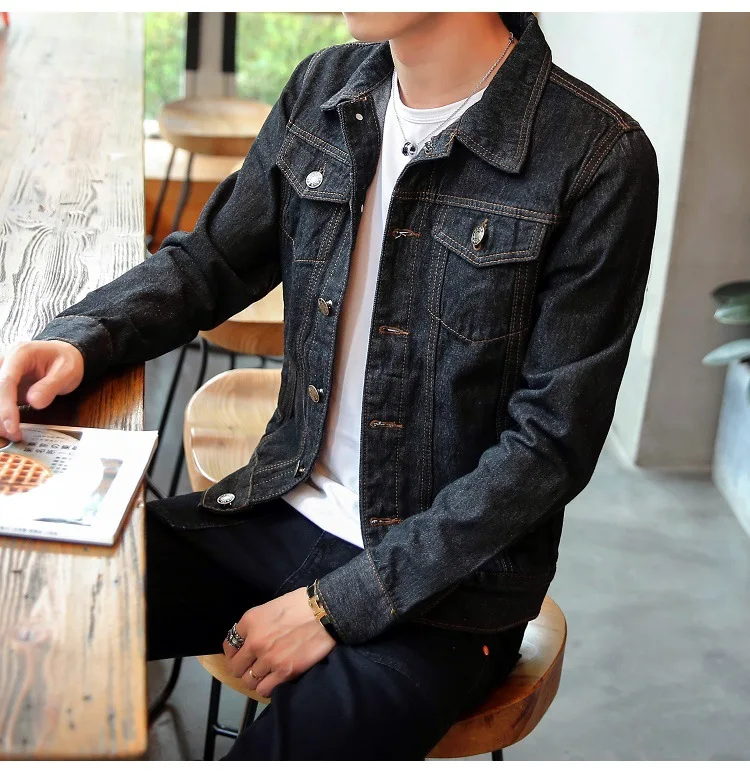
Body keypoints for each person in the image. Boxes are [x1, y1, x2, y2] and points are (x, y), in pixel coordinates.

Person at [0, 11, 659, 760]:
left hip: (444, 591)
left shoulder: (597, 157)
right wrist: (82, 338)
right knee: (31, 601)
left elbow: (547, 448)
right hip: (278, 508)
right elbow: (212, 261)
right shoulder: (326, 87)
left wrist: (335, 605)